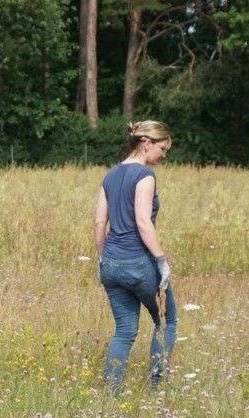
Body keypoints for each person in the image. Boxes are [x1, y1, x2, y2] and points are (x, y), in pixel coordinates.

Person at [93, 120, 177, 389]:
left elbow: (98, 224)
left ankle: (111, 393)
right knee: (166, 321)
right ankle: (156, 386)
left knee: (125, 331)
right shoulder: (144, 176)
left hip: (111, 264)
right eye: (163, 148)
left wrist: (101, 258)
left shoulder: (110, 175)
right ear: (147, 143)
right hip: (138, 263)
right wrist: (162, 261)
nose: (164, 155)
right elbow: (143, 222)